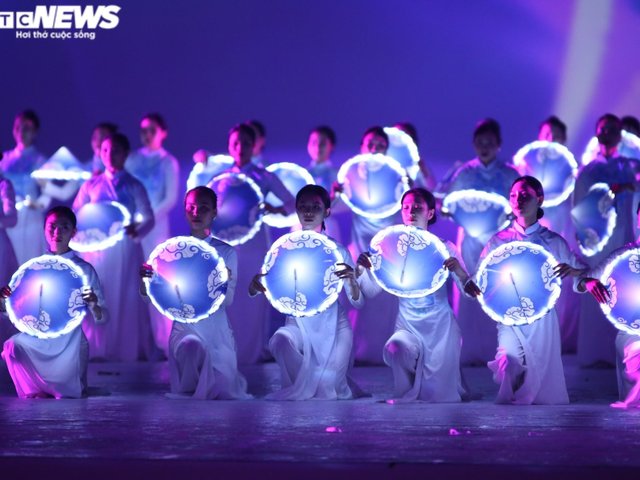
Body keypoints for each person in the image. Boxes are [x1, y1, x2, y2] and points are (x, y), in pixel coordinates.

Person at [357, 188, 480, 402]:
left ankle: (446, 384)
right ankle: (406, 390)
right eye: (406, 207)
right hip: (407, 323)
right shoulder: (390, 248)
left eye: (417, 207)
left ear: (430, 213)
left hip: (440, 328)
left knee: (439, 396)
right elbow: (370, 290)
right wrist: (364, 269)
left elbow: (469, 292)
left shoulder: (444, 248)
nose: (411, 212)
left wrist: (459, 271)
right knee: (396, 348)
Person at [477, 176, 587, 404]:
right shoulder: (498, 241)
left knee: (541, 380)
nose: (518, 200)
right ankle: (510, 403)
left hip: (542, 320)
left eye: (525, 195)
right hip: (510, 318)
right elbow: (480, 278)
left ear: (539, 199)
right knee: (508, 361)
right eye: (513, 195)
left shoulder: (553, 242)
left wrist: (576, 273)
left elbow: (582, 274)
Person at [249, 185, 363, 399]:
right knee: (280, 341)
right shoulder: (283, 249)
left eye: (315, 207)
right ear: (297, 210)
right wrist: (255, 287)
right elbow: (265, 286)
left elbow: (357, 302)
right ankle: (309, 379)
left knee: (330, 390)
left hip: (334, 328)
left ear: (327, 212)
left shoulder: (338, 251)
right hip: (297, 324)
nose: (309, 212)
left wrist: (352, 282)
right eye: (303, 207)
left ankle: (322, 379)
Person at [140, 187, 250, 399]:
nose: (196, 213)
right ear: (184, 211)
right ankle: (188, 384)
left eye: (204, 208)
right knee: (190, 347)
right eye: (191, 207)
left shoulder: (225, 252)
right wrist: (146, 280)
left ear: (214, 212)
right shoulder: (172, 251)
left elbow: (227, 301)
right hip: (185, 327)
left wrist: (222, 282)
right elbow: (150, 297)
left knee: (222, 390)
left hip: (216, 331)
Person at [1, 206, 107, 398]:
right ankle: (36, 388)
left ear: (73, 232)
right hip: (40, 336)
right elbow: (17, 310)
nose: (57, 232)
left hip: (70, 342)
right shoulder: (34, 267)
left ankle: (61, 386)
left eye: (64, 227)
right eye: (52, 226)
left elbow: (102, 317)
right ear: (44, 229)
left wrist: (93, 304)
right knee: (12, 345)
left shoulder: (84, 270)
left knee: (68, 391)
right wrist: (4, 300)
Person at [73, 133, 157, 361]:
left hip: (124, 249)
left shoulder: (133, 185)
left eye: (116, 150)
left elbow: (148, 217)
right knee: (99, 293)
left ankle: (124, 347)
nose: (110, 155)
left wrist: (136, 230)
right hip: (96, 250)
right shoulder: (91, 185)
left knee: (124, 294)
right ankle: (97, 347)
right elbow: (77, 213)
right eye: (105, 150)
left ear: (126, 154)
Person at [446, 118, 520, 365]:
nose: (484, 146)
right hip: (469, 240)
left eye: (490, 142)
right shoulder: (464, 173)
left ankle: (498, 349)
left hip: (499, 239)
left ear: (499, 144)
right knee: (469, 289)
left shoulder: (510, 173)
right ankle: (469, 349)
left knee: (498, 289)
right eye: (480, 142)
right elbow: (450, 205)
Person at [222, 123, 295, 364]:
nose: (240, 147)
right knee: (229, 297)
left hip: (255, 244)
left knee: (252, 297)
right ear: (229, 146)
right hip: (228, 243)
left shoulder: (263, 176)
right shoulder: (222, 179)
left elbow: (291, 202)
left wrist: (274, 210)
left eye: (245, 143)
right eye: (235, 143)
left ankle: (252, 352)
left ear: (254, 146)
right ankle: (229, 350)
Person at [574, 114, 640, 367]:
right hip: (597, 238)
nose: (607, 133)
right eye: (603, 129)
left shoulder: (630, 166)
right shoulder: (588, 170)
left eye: (613, 129)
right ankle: (593, 353)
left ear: (620, 134)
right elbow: (579, 207)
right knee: (596, 287)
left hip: (625, 233)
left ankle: (621, 352)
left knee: (622, 288)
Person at [336, 126, 400, 364]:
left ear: (387, 150)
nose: (375, 149)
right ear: (362, 147)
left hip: (386, 245)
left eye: (380, 145)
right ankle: (357, 352)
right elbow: (335, 207)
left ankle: (382, 352)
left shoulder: (396, 175)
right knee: (358, 299)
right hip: (360, 243)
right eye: (370, 144)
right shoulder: (351, 175)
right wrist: (335, 194)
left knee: (383, 301)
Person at [126, 113, 180, 355]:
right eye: (143, 131)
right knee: (129, 279)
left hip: (155, 227)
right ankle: (134, 342)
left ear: (163, 133)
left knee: (154, 278)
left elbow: (170, 198)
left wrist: (148, 218)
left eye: (152, 130)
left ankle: (163, 340)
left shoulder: (168, 162)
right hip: (131, 227)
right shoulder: (132, 159)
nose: (147, 135)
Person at [580, 203, 640, 408]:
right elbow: (586, 278)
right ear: (638, 220)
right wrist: (588, 282)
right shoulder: (623, 255)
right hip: (632, 332)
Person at [0, 110, 48, 264]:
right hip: (7, 216)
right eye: (17, 127)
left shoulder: (39, 160)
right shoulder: (4, 159)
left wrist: (36, 204)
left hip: (30, 218)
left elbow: (47, 193)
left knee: (28, 261)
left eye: (26, 128)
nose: (21, 131)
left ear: (35, 132)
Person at [306, 125, 343, 242]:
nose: (317, 147)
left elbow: (344, 205)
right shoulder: (301, 175)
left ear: (332, 146)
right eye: (313, 142)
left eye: (322, 143)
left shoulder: (339, 175)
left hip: (328, 228)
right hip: (302, 227)